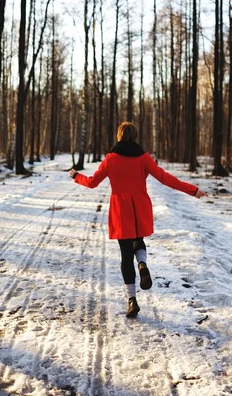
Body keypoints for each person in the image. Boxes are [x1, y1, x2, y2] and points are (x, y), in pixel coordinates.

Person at [70, 122, 207, 318]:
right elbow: (165, 178)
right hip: (140, 207)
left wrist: (76, 175)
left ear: (119, 136)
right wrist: (193, 190)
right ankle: (142, 264)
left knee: (125, 256)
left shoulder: (110, 159)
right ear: (135, 136)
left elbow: (92, 183)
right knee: (138, 241)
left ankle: (132, 300)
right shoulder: (143, 158)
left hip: (120, 210)